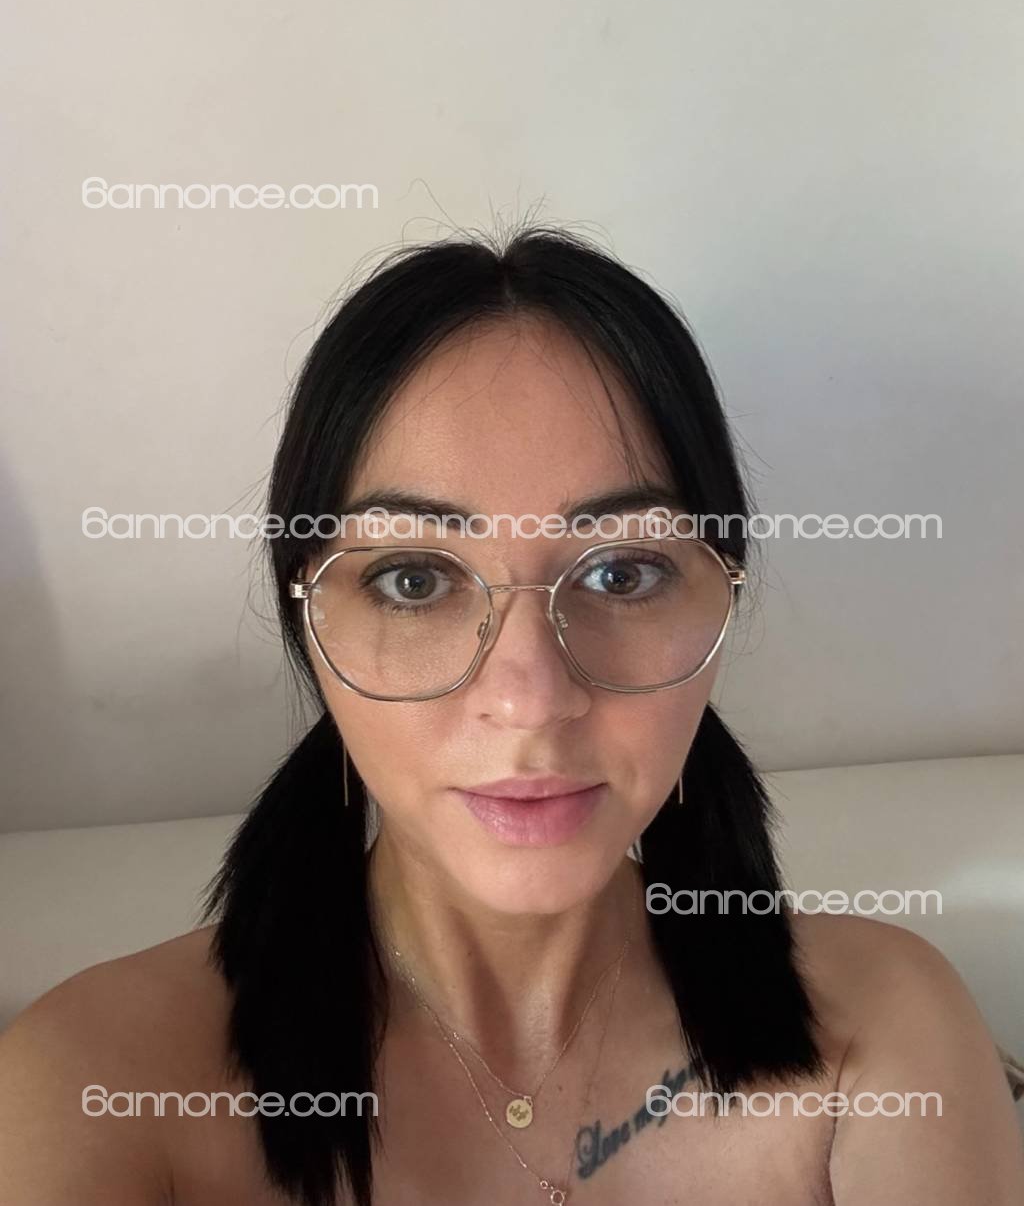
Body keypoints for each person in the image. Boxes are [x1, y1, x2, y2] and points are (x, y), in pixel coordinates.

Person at [1, 227, 1021, 1206]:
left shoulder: (878, 1033)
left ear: (722, 598)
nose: (530, 697)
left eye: (622, 571)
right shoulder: (93, 1088)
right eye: (413, 578)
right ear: (308, 623)